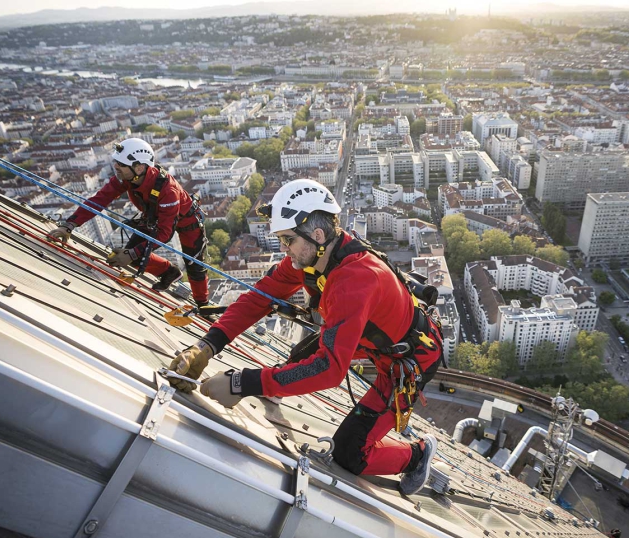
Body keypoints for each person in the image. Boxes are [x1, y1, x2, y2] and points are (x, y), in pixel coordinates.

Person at [167, 179, 443, 496]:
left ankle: (418, 454)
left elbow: (329, 370)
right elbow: (257, 299)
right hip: (375, 339)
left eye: (288, 240)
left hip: (407, 362)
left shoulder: (355, 280)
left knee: (349, 454)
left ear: (317, 236)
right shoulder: (312, 259)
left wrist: (242, 383)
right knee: (300, 357)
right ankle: (277, 384)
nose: (284, 250)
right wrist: (205, 347)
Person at [48, 138, 223, 316]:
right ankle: (169, 271)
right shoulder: (127, 178)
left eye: (121, 164)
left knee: (194, 265)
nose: (116, 167)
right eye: (116, 162)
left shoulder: (168, 191)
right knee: (131, 255)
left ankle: (204, 306)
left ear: (139, 167)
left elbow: (165, 233)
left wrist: (133, 253)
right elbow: (100, 199)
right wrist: (69, 225)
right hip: (154, 217)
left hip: (188, 223)